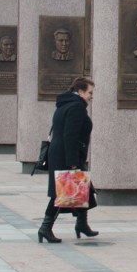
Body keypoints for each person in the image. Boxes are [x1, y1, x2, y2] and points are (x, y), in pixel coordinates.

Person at [38, 76, 98, 243]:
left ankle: (82, 224)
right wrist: (73, 163)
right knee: (62, 193)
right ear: (80, 91)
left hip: (61, 153)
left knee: (83, 188)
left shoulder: (65, 104)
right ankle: (45, 227)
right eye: (89, 93)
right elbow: (70, 136)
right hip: (66, 155)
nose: (91, 96)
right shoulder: (76, 108)